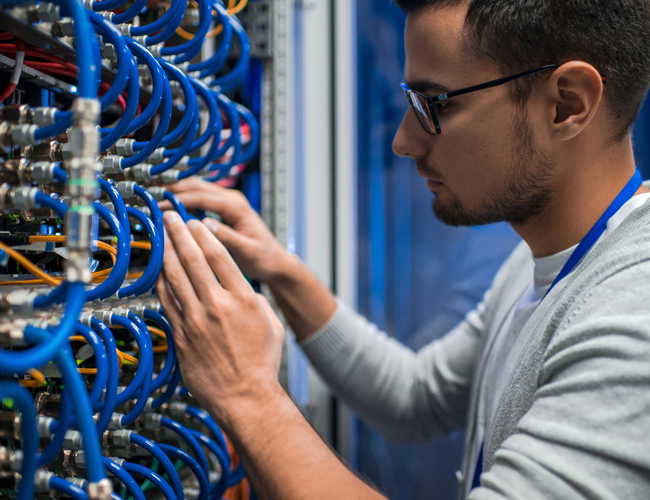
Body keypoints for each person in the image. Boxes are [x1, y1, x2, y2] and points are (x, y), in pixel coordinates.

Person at [156, 0, 650, 498]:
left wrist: (247, 393)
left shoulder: (633, 317)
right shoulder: (543, 259)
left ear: (568, 104)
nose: (403, 140)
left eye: (435, 104)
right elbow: (416, 397)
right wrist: (282, 271)